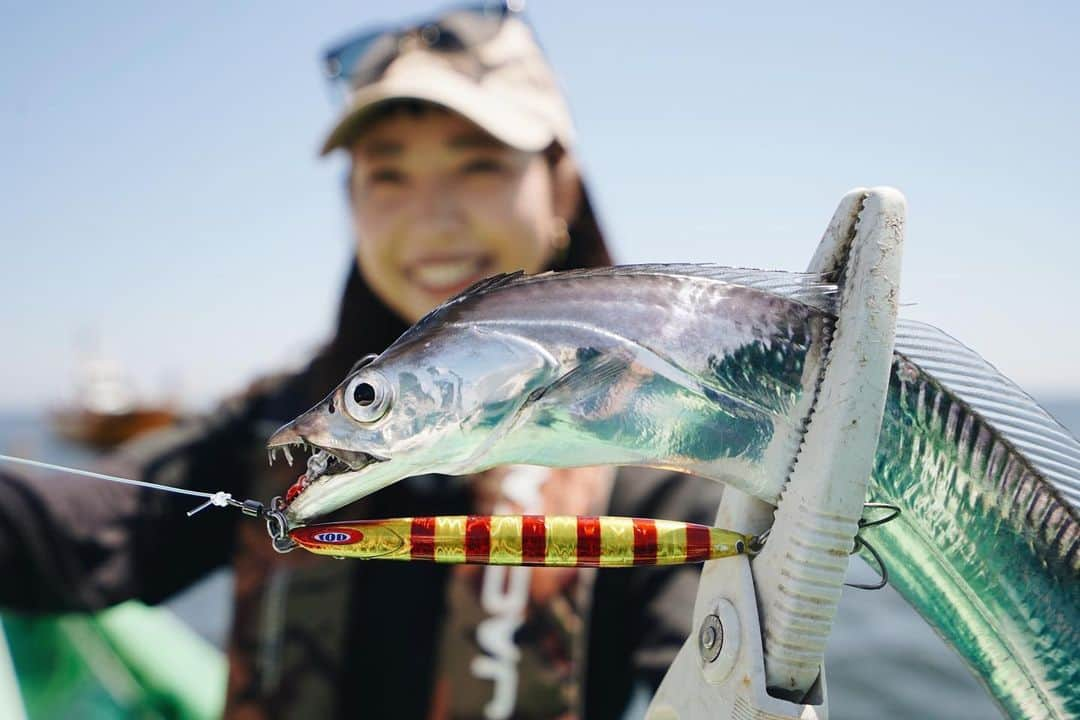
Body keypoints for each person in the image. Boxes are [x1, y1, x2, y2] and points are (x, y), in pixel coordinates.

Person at [0, 5, 723, 718]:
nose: (433, 220)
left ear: (560, 183)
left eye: (480, 164)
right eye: (388, 175)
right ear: (351, 199)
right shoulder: (282, 431)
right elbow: (58, 532)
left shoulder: (665, 460)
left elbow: (724, 666)